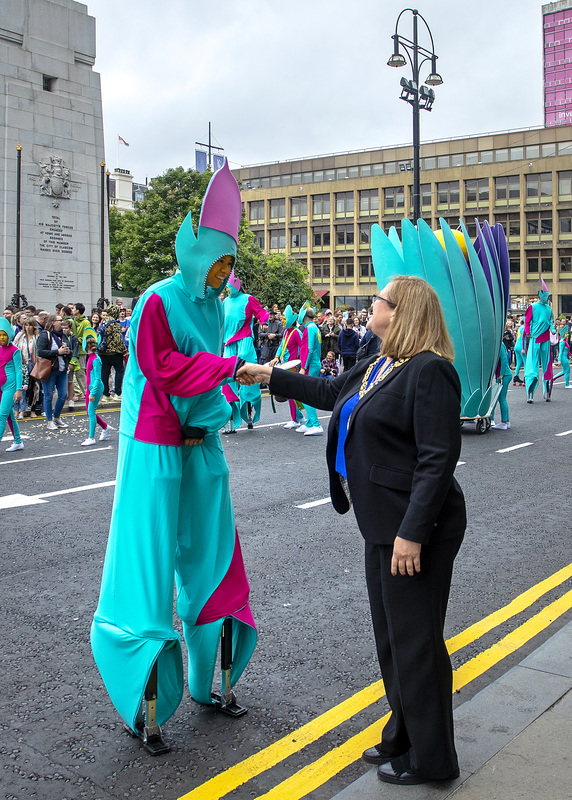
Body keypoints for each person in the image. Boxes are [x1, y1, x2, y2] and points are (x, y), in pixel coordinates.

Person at [237, 275, 465, 786]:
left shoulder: (430, 371)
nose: (370, 305)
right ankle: (403, 731)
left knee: (417, 642)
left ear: (401, 311)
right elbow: (325, 390)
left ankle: (433, 760)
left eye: (378, 299)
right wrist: (266, 375)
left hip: (414, 527)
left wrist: (413, 532)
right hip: (381, 520)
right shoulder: (380, 362)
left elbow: (438, 460)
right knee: (391, 639)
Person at [91, 161, 257, 746]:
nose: (222, 276)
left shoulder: (215, 305)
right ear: (194, 253)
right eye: (216, 263)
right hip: (155, 446)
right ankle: (145, 699)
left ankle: (212, 683)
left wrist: (231, 388)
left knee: (216, 564)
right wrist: (233, 368)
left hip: (203, 445)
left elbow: (205, 377)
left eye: (228, 266)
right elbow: (164, 368)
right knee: (148, 570)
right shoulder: (156, 301)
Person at [222, 270, 268, 431]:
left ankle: (248, 410)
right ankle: (230, 420)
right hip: (229, 344)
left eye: (228, 286)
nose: (227, 290)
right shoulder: (225, 302)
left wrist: (264, 322)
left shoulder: (248, 299)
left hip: (244, 341)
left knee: (248, 375)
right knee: (228, 379)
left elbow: (261, 312)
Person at [524, 278, 556, 402]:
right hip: (535, 338)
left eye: (548, 296)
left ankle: (547, 392)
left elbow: (550, 322)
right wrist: (528, 332)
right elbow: (527, 321)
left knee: (547, 366)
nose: (547, 298)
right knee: (532, 365)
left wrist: (553, 329)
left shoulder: (549, 309)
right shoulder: (533, 307)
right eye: (545, 295)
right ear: (540, 295)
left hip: (546, 339)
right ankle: (529, 393)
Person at [37, 314, 71, 431]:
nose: (62, 322)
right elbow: (40, 352)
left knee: (63, 395)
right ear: (52, 322)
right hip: (49, 370)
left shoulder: (63, 336)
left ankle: (56, 417)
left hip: (62, 369)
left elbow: (69, 350)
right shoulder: (44, 335)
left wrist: (67, 352)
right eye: (59, 320)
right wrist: (57, 351)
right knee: (48, 395)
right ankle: (49, 420)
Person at [296, 304, 323, 436]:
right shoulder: (314, 327)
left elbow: (309, 349)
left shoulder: (309, 329)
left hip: (310, 365)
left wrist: (303, 367)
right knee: (306, 394)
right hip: (314, 363)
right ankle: (310, 423)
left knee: (305, 395)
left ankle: (316, 424)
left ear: (305, 317)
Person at [81, 331, 110, 446]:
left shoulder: (95, 359)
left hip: (95, 388)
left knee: (91, 412)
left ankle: (91, 437)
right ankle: (105, 427)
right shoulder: (91, 357)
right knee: (90, 412)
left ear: (86, 346)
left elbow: (97, 378)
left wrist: (92, 393)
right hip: (91, 388)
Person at [0, 317, 24, 452]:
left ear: (9, 334)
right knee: (8, 414)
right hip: (0, 386)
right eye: (0, 335)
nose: (2, 337)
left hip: (9, 386)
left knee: (1, 415)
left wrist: (19, 389)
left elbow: (18, 370)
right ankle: (18, 441)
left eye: (4, 334)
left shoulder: (15, 350)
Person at [97, 304, 127, 403]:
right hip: (114, 352)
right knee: (119, 370)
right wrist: (124, 351)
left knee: (105, 372)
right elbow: (118, 339)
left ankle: (106, 395)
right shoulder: (115, 323)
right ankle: (118, 393)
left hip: (102, 351)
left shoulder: (103, 322)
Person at [490, 343, 512, 430]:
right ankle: (506, 421)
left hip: (504, 375)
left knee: (501, 399)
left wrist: (501, 374)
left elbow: (503, 358)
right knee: (502, 398)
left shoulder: (499, 344)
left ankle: (503, 422)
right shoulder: (500, 343)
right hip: (504, 374)